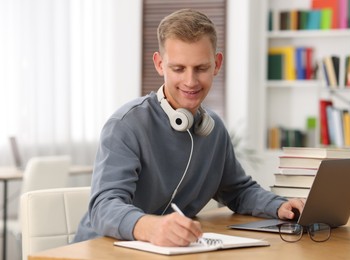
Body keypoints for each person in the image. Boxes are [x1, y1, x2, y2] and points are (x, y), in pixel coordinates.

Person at [73, 8, 305, 247]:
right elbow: (103, 207)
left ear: (216, 64)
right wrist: (151, 227)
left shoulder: (212, 130)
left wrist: (279, 206)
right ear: (160, 64)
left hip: (164, 250)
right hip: (102, 248)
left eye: (201, 68)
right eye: (178, 69)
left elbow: (237, 190)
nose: (191, 81)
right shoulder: (125, 126)